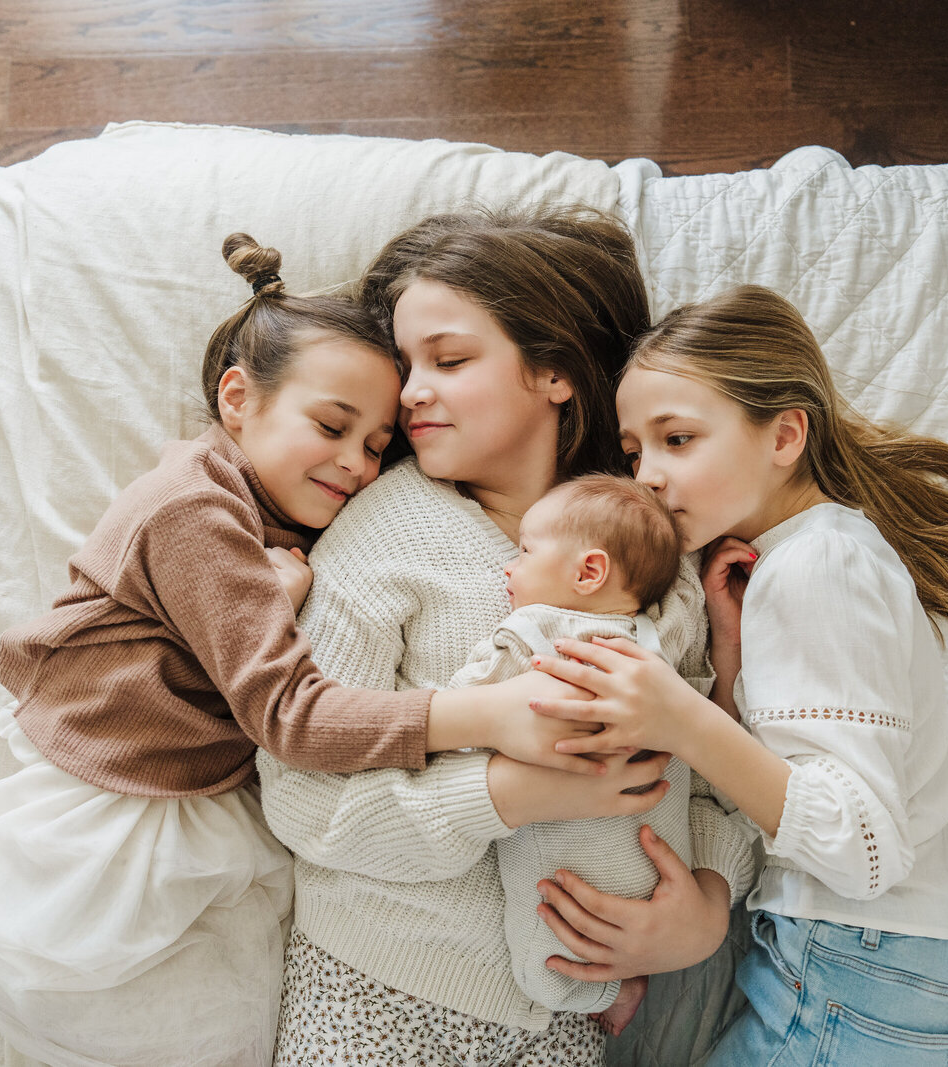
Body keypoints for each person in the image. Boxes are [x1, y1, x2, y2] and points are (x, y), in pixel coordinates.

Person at [0, 234, 605, 1067]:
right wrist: (480, 714)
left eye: (376, 445)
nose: (356, 464)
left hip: (206, 802)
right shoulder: (190, 510)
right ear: (238, 398)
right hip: (116, 818)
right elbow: (291, 713)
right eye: (333, 426)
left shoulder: (293, 519)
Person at [256, 207, 757, 1067]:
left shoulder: (653, 560)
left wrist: (708, 903)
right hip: (380, 986)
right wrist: (506, 792)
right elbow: (304, 801)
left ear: (555, 372)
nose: (411, 390)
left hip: (568, 1010)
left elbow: (718, 773)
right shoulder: (381, 538)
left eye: (448, 360)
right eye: (406, 364)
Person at [530, 285, 948, 1066]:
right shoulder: (804, 560)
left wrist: (680, 717)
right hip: (874, 975)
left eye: (677, 439)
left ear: (785, 434)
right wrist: (730, 664)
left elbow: (864, 847)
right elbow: (802, 767)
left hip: (863, 971)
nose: (646, 475)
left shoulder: (820, 564)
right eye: (634, 452)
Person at [447, 474, 692, 1036]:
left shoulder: (536, 629)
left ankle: (603, 990)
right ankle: (628, 980)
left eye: (525, 552)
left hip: (567, 843)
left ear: (588, 572)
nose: (508, 567)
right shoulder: (654, 642)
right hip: (655, 849)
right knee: (614, 925)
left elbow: (465, 702)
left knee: (549, 944)